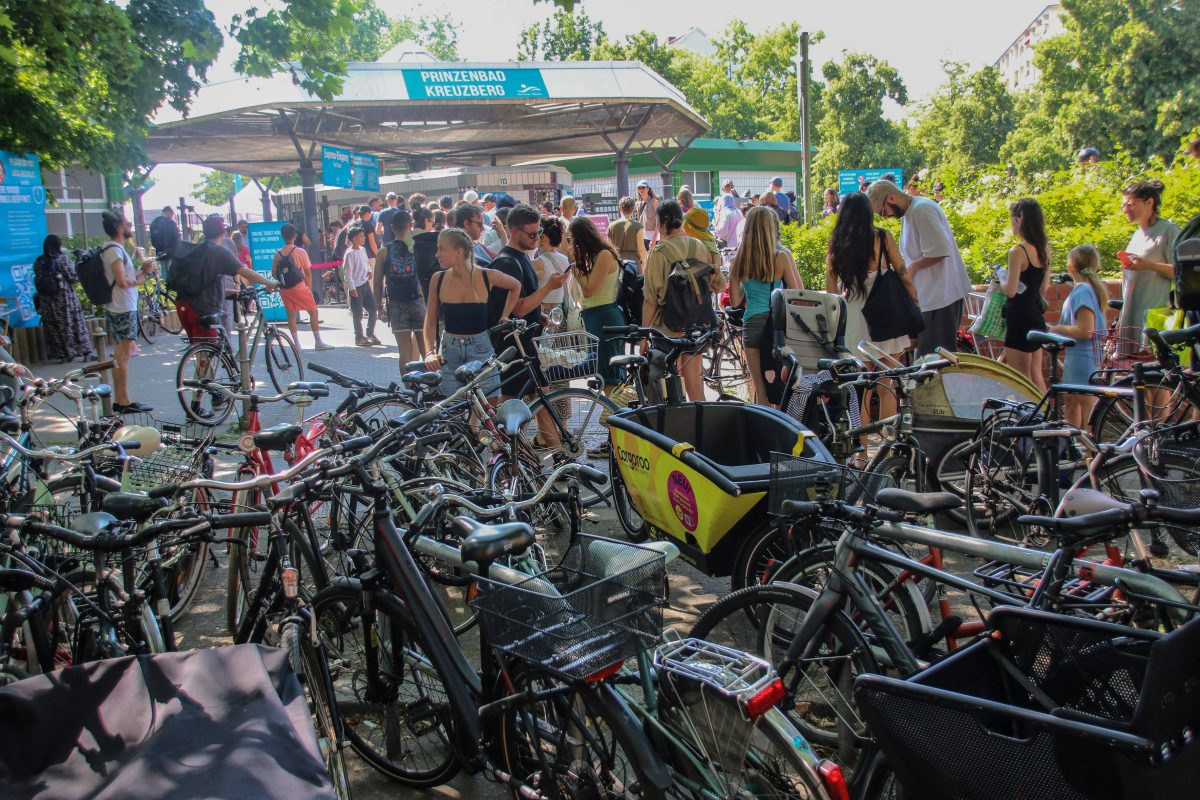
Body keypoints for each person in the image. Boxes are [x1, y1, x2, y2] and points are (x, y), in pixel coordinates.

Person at [866, 179, 972, 355]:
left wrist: (912, 267)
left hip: (940, 297)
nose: (886, 217)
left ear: (891, 197)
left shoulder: (921, 209)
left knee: (933, 361)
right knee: (924, 360)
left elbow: (939, 250)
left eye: (883, 212)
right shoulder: (912, 212)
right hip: (931, 298)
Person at [643, 200, 726, 401]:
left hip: (668, 328)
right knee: (694, 385)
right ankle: (703, 429)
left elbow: (651, 299)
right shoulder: (699, 245)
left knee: (666, 388)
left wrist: (643, 336)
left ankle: (673, 429)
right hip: (696, 325)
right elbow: (717, 285)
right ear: (681, 221)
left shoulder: (658, 252)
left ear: (662, 223)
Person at [422, 228, 519, 397]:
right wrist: (429, 353)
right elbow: (430, 321)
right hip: (450, 351)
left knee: (488, 409)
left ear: (459, 252)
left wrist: (505, 315)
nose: (437, 254)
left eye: (442, 248)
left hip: (480, 348)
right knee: (452, 412)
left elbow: (516, 286)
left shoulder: (486, 276)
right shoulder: (438, 279)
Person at [487, 205, 566, 399]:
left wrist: (539, 315)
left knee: (542, 399)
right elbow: (519, 308)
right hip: (512, 349)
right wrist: (548, 287)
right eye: (532, 234)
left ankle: (554, 432)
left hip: (526, 345)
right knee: (511, 410)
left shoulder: (521, 258)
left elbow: (524, 303)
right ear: (514, 232)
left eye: (538, 232)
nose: (537, 238)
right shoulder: (507, 262)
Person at [730, 206, 803, 405]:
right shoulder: (781, 256)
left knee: (760, 387)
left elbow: (735, 301)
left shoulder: (738, 260)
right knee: (781, 383)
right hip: (776, 324)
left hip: (752, 322)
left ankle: (760, 432)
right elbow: (798, 293)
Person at [98, 212, 154, 412]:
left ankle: (122, 398)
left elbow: (121, 278)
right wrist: (138, 281)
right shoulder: (114, 250)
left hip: (120, 305)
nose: (130, 226)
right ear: (120, 227)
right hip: (122, 307)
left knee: (123, 354)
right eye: (128, 223)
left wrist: (141, 272)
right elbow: (121, 281)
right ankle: (123, 400)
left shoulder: (114, 249)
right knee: (122, 355)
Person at [1117, 179, 1180, 347]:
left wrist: (1149, 265)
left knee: (1155, 368)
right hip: (1132, 313)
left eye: (1130, 204)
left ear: (1149, 202)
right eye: (1123, 205)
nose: (1125, 210)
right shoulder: (1136, 235)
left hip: (1155, 317)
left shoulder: (1168, 230)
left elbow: (1181, 272)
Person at [1049, 245, 1107, 428]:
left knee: (1085, 404)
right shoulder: (1088, 289)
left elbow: (1085, 330)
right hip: (1080, 357)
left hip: (1083, 357)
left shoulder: (1082, 291)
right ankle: (1074, 446)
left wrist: (1058, 329)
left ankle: (1091, 452)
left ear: (1071, 268)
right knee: (1071, 401)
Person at [569, 216, 625, 394]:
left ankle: (615, 418)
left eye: (572, 239)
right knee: (603, 371)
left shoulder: (604, 255)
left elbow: (589, 290)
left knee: (610, 374)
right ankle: (613, 417)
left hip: (605, 318)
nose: (571, 244)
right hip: (596, 317)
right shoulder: (596, 256)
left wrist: (575, 267)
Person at [1000, 199, 1051, 391]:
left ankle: (1032, 418)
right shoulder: (1043, 250)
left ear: (1019, 219)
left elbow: (1010, 291)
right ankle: (1046, 415)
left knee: (1020, 378)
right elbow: (1043, 287)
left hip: (1018, 317)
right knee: (1035, 374)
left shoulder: (1017, 251)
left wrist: (1000, 281)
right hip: (1035, 315)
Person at [373, 209, 427, 366]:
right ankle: (432, 386)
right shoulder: (417, 247)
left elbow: (377, 282)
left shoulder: (384, 251)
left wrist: (379, 306)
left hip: (397, 304)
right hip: (418, 301)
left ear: (391, 227)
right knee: (426, 349)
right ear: (410, 225)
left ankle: (409, 387)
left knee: (404, 350)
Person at [34, 235, 95, 362]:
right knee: (75, 325)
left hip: (46, 301)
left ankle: (64, 355)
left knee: (55, 328)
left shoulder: (39, 261)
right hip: (65, 299)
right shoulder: (62, 260)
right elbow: (74, 277)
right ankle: (85, 353)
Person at [273, 223, 332, 351]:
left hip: (285, 289)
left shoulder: (278, 254)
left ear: (282, 236)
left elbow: (274, 273)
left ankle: (297, 344)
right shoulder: (300, 251)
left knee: (291, 315)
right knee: (313, 311)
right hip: (300, 287)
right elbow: (308, 272)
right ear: (295, 235)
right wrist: (309, 289)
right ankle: (318, 341)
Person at [341, 225, 379, 347]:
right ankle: (359, 337)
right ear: (354, 239)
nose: (364, 238)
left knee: (373, 309)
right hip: (356, 287)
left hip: (365, 284)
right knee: (358, 314)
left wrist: (369, 270)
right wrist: (352, 288)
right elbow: (348, 273)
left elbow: (366, 263)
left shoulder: (362, 249)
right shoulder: (350, 253)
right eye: (361, 236)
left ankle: (370, 333)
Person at [535, 217, 569, 315]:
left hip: (545, 314)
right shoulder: (566, 260)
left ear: (543, 237)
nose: (535, 237)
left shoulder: (538, 262)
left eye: (537, 234)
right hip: (562, 311)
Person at [606, 197, 646, 265]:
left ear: (620, 208)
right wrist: (645, 262)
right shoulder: (638, 227)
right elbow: (641, 249)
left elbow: (609, 247)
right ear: (633, 209)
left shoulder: (611, 226)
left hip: (618, 261)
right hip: (634, 262)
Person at [635, 181, 660, 249]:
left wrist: (654, 239)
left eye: (643, 187)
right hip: (642, 236)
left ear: (648, 188)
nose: (641, 189)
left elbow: (659, 222)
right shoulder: (638, 204)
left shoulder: (655, 202)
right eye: (639, 188)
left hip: (654, 237)